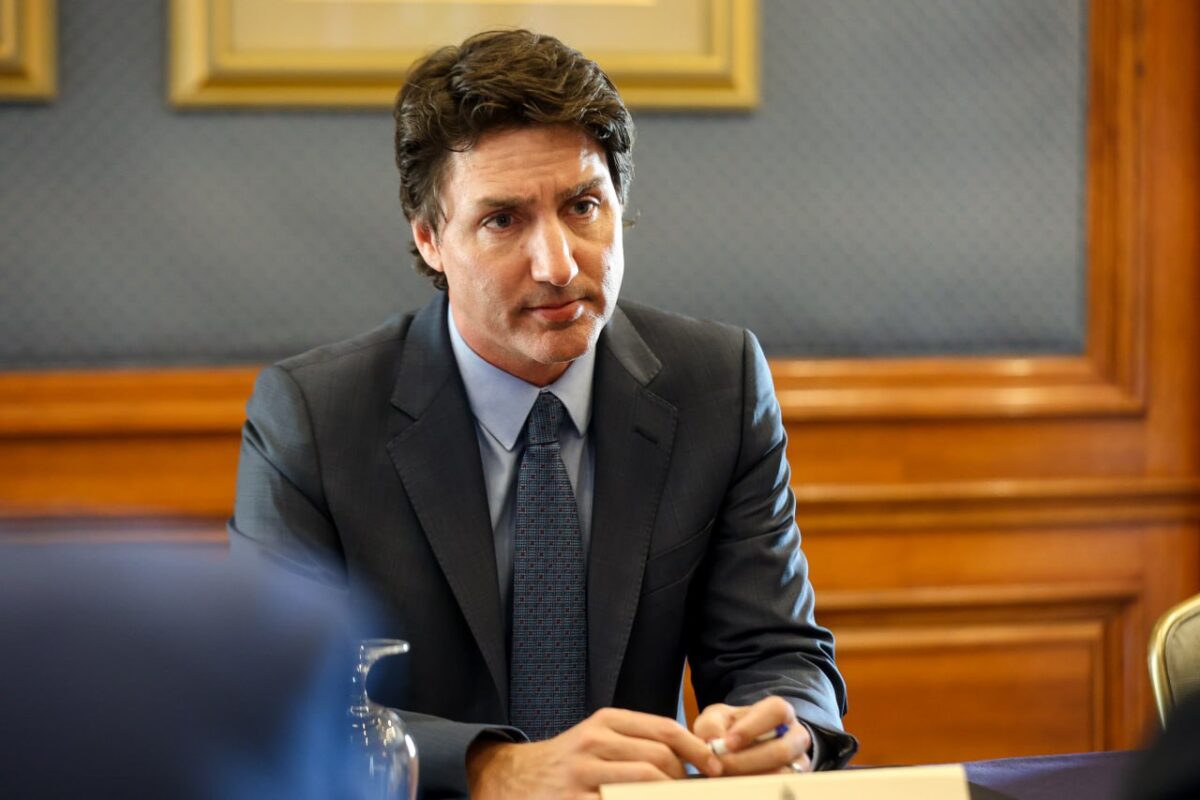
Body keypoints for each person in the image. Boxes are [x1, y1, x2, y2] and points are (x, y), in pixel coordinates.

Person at [229, 28, 856, 799]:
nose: (558, 264)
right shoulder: (313, 419)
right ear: (429, 240)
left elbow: (778, 651)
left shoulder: (715, 384)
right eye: (503, 220)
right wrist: (493, 767)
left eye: (583, 206)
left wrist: (783, 731)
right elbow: (273, 702)